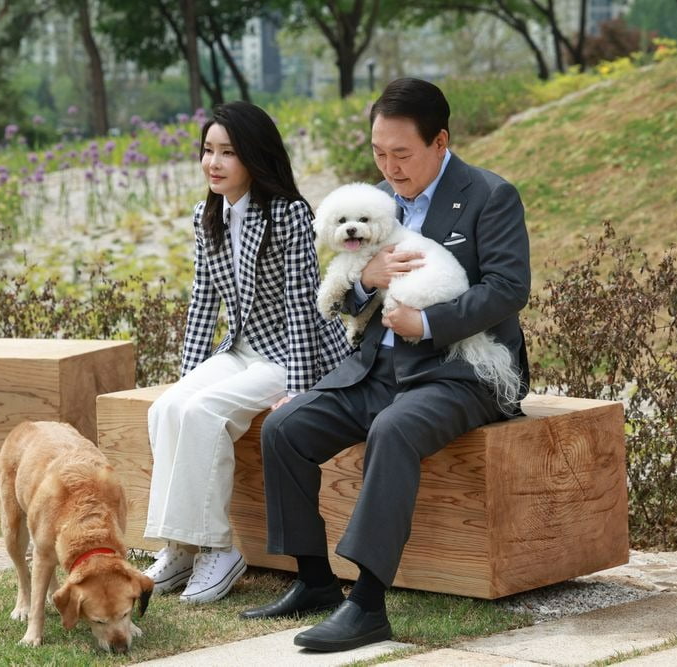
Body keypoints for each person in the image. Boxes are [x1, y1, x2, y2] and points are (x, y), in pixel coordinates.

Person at [240, 78, 531, 651]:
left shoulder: (489, 196)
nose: (390, 167)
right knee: (285, 428)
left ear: (440, 141)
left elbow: (508, 288)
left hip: (460, 372)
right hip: (378, 370)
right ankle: (316, 581)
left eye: (402, 153)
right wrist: (363, 284)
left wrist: (426, 324)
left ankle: (368, 605)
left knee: (391, 430)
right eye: (379, 152)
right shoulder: (373, 200)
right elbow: (349, 292)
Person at [142, 101, 352, 605]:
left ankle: (219, 550)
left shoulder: (288, 213)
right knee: (168, 406)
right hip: (240, 349)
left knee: (204, 411)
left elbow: (304, 306)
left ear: (254, 158)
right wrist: (188, 375)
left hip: (291, 356)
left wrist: (300, 390)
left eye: (227, 152)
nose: (213, 163)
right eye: (208, 151)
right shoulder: (206, 214)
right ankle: (182, 546)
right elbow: (202, 301)